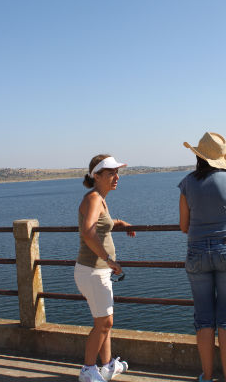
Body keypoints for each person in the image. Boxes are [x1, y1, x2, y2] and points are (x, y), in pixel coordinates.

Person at [178, 132, 226, 382]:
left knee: (204, 318)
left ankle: (207, 376)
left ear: (199, 157)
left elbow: (184, 226)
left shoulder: (187, 183)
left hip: (197, 252)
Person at [75, 154, 136, 382]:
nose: (116, 177)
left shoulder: (100, 198)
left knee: (104, 321)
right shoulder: (93, 198)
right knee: (104, 322)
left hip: (96, 271)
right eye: (111, 173)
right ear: (97, 176)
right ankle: (88, 370)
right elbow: (88, 231)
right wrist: (108, 259)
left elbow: (101, 224)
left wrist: (120, 223)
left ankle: (108, 365)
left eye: (117, 172)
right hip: (93, 270)